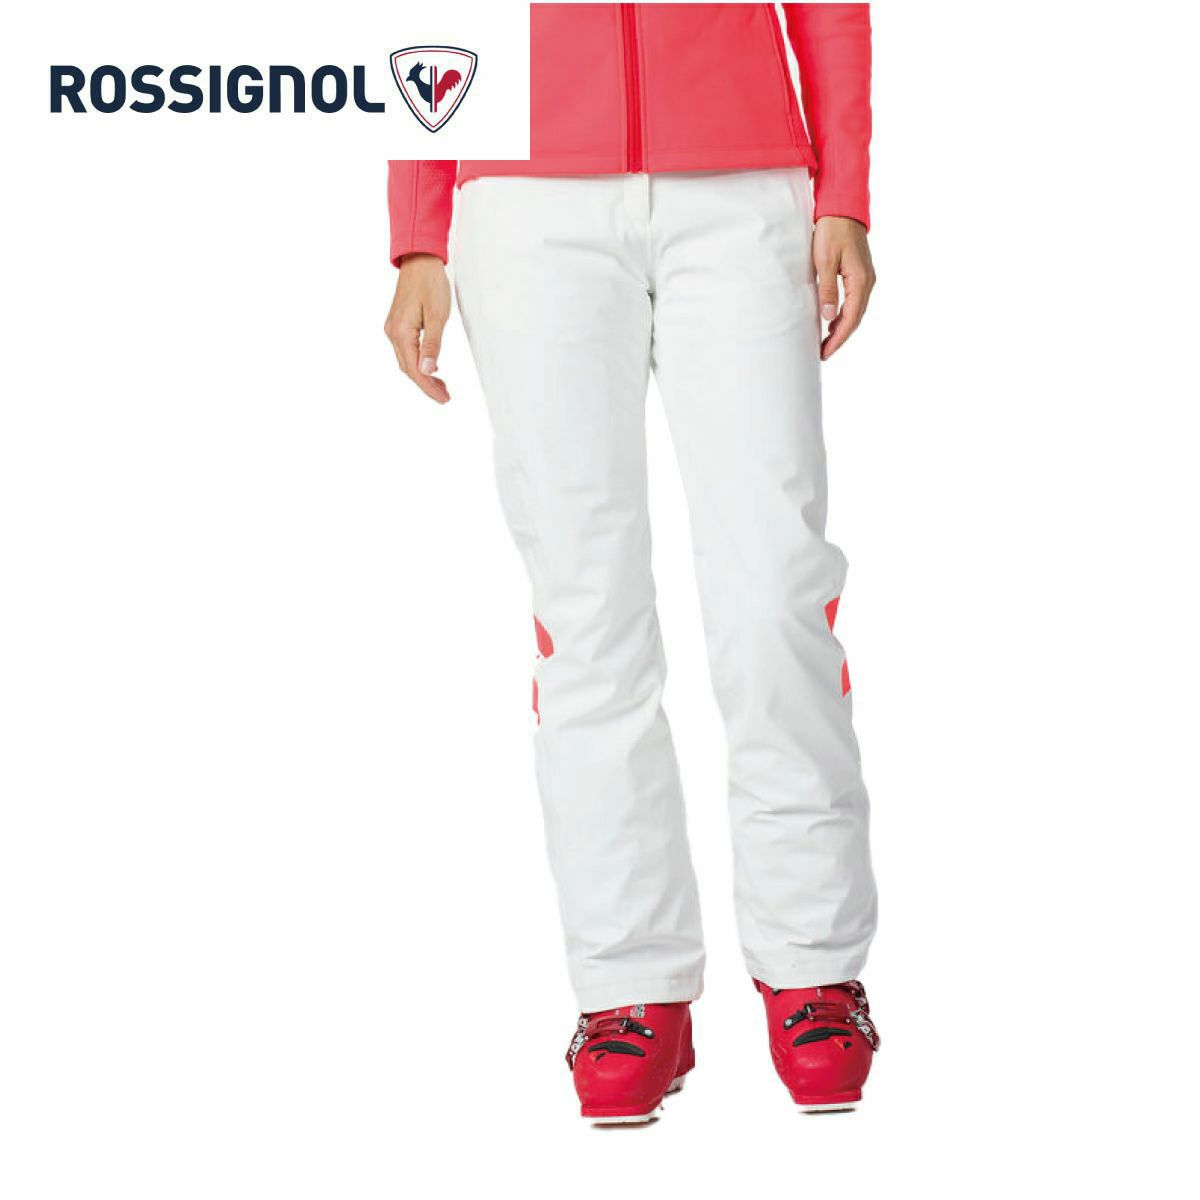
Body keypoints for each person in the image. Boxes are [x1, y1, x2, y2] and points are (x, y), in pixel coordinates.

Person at [384, 3, 880, 1123]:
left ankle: (813, 962)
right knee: (585, 610)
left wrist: (843, 193)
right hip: (522, 200)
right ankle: (629, 982)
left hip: (742, 185)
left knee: (774, 591)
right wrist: (419, 228)